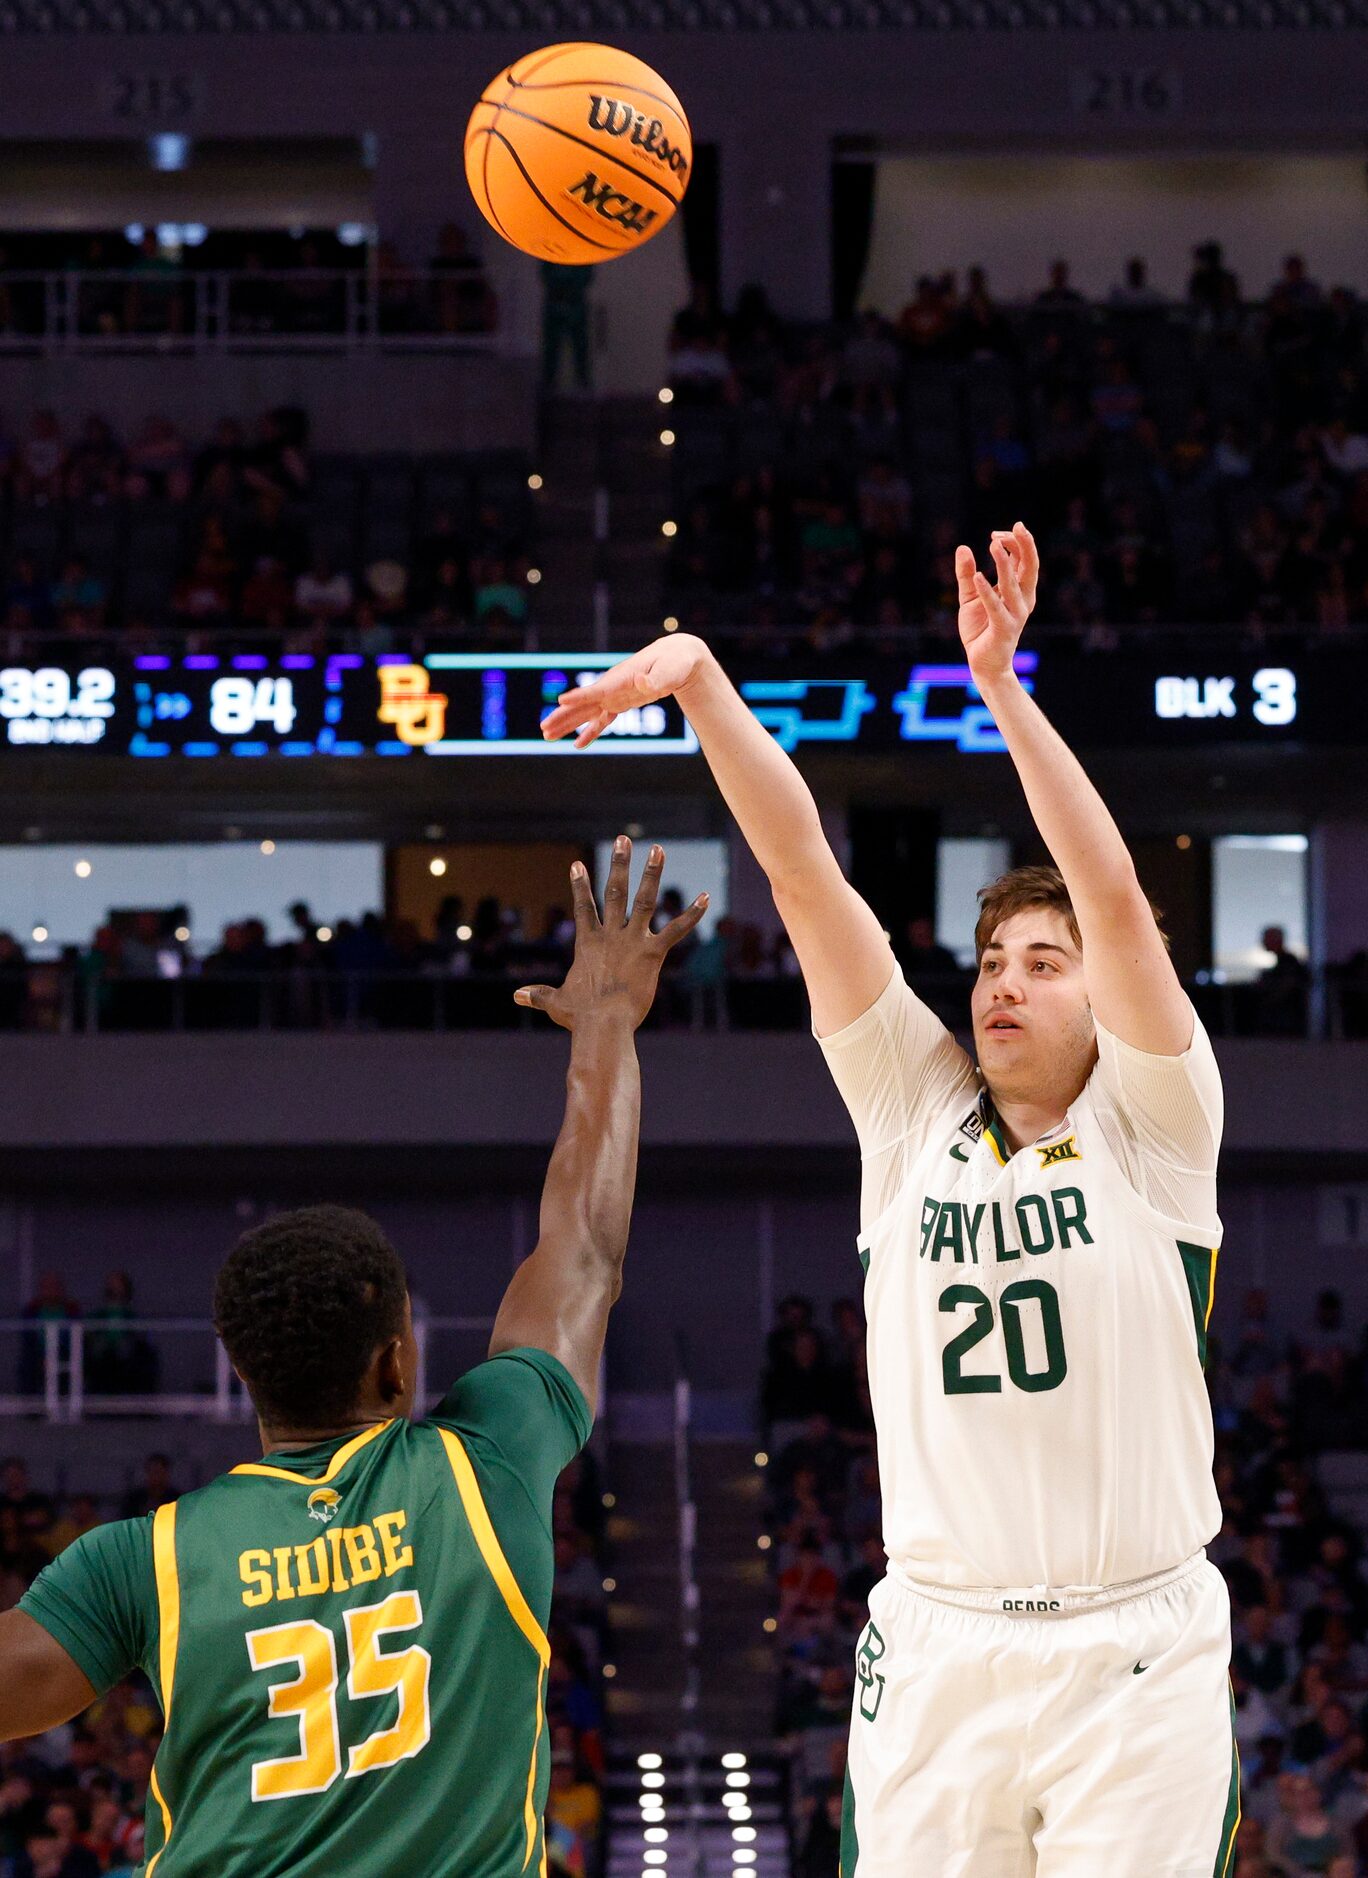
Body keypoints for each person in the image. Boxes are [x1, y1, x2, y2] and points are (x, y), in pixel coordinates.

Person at [541, 525, 1235, 1875]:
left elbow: (1116, 896)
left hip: (1138, 1647)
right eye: (991, 957)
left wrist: (1003, 693)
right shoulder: (912, 1108)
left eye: (1045, 960)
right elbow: (803, 871)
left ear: (1110, 996)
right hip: (937, 1641)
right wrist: (699, 682)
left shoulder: (1158, 1121)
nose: (1004, 981)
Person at [0, 841, 704, 1878]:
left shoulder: (142, 1559)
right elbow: (584, 1252)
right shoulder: (487, 1465)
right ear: (396, 1364)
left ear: (240, 1371)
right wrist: (605, 1027)